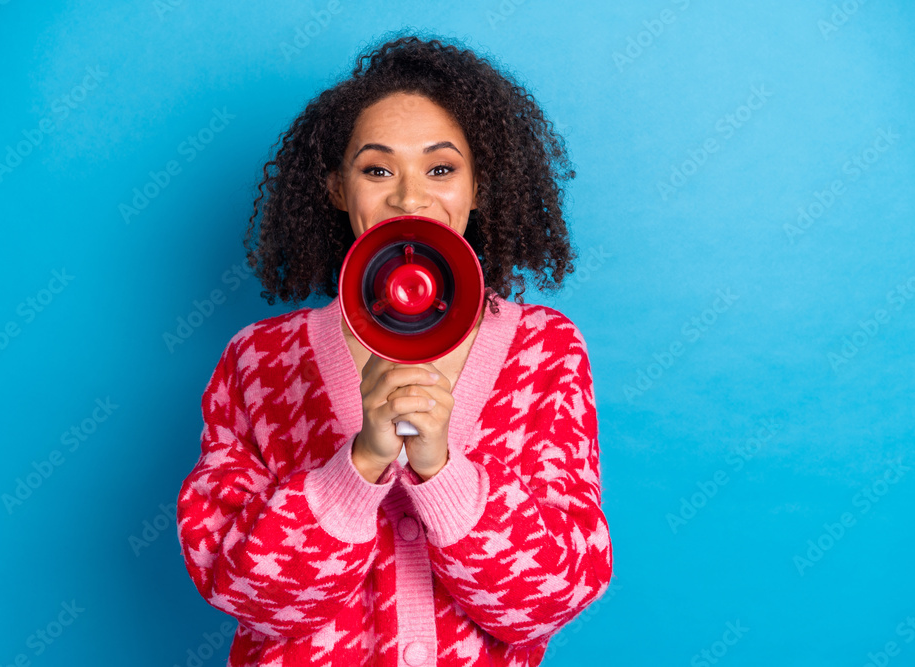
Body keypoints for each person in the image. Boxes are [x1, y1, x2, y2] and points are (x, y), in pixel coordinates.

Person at [176, 32, 613, 666]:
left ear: (478, 187)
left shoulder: (543, 350)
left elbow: (550, 598)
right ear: (335, 188)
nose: (410, 198)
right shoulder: (259, 361)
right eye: (377, 169)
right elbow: (242, 590)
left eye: (441, 168)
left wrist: (443, 471)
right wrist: (358, 466)